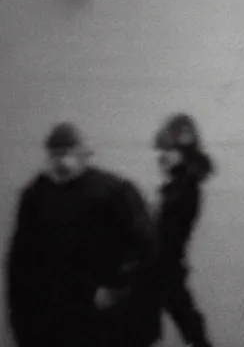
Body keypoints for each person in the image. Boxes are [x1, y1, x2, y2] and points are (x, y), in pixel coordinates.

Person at [5, 123, 161, 347]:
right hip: (56, 317)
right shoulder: (36, 198)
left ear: (83, 153)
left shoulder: (113, 193)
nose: (61, 161)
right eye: (56, 154)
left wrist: (116, 287)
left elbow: (144, 248)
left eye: (66, 153)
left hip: (96, 318)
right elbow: (21, 263)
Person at [153, 114, 215, 347]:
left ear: (183, 150)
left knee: (184, 318)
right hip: (166, 267)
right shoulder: (181, 185)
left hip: (163, 267)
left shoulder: (183, 189)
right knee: (186, 319)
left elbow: (166, 232)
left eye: (167, 151)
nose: (161, 158)